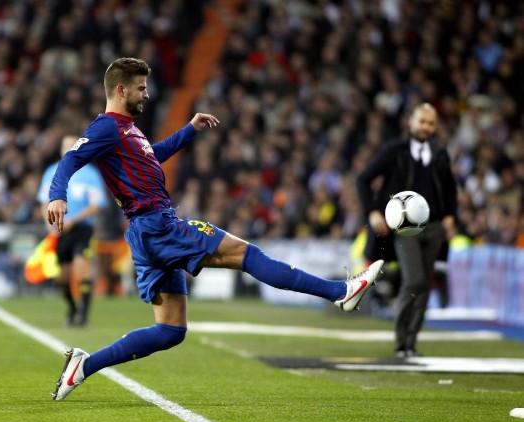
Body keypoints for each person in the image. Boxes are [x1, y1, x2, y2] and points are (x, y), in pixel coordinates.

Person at [47, 57, 383, 401]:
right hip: (157, 225)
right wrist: (57, 195)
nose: (147, 94)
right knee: (246, 253)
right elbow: (71, 158)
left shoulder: (128, 129)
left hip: (147, 232)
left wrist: (189, 129)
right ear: (121, 90)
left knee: (170, 330)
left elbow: (152, 156)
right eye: (141, 88)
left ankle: (84, 366)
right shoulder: (106, 127)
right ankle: (339, 292)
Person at [356, 103, 457, 358]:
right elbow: (363, 179)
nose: (426, 127)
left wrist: (450, 216)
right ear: (410, 121)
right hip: (404, 230)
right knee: (413, 280)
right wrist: (373, 211)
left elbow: (449, 188)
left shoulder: (440, 153)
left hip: (434, 227)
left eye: (431, 123)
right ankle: (401, 343)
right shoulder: (394, 150)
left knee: (424, 284)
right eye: (422, 121)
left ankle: (411, 343)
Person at [37, 135, 108, 326]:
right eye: (65, 146)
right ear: (61, 149)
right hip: (59, 231)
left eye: (72, 146)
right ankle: (72, 308)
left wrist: (73, 220)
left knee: (81, 267)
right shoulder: (51, 172)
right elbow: (44, 202)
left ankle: (83, 315)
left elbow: (97, 204)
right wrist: (49, 226)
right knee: (62, 277)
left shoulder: (90, 174)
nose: (69, 149)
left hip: (82, 229)